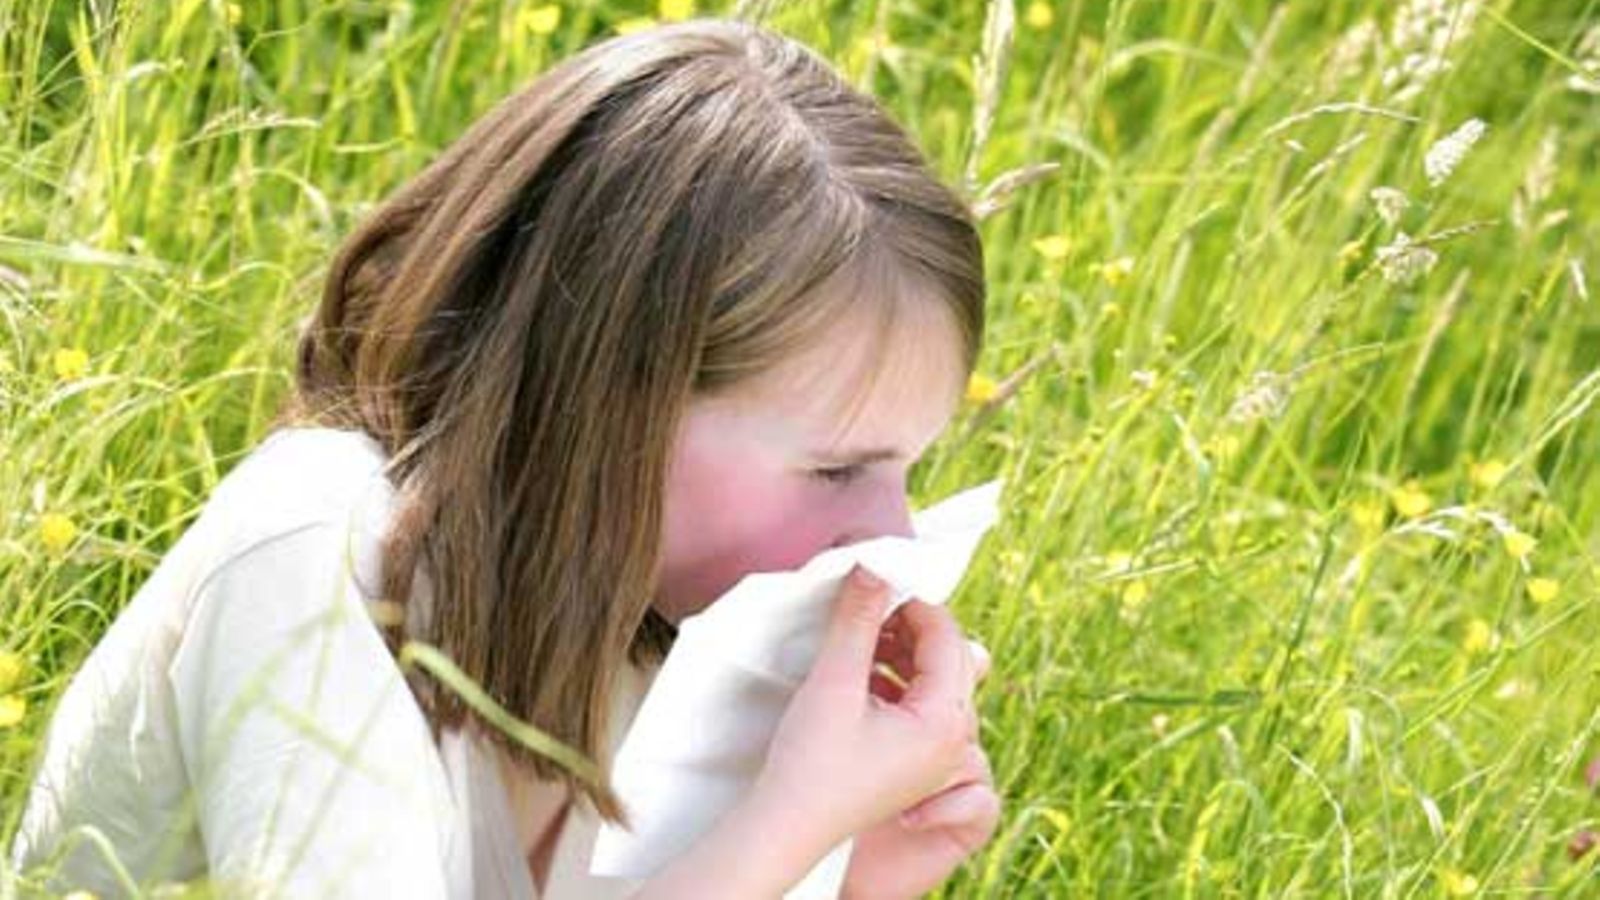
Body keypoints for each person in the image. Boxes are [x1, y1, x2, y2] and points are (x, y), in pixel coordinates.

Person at [9, 16, 998, 899]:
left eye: (905, 468)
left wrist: (853, 875)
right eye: (835, 470)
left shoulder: (657, 632)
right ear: (610, 401)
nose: (893, 533)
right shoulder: (313, 554)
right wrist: (785, 830)